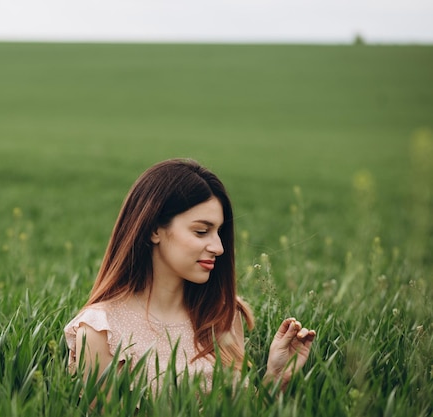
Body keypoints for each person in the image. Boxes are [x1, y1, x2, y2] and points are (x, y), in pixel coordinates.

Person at [64, 158, 316, 393]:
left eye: (219, 232)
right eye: (201, 231)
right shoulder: (102, 331)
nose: (218, 247)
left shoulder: (223, 315)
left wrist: (275, 379)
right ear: (154, 229)